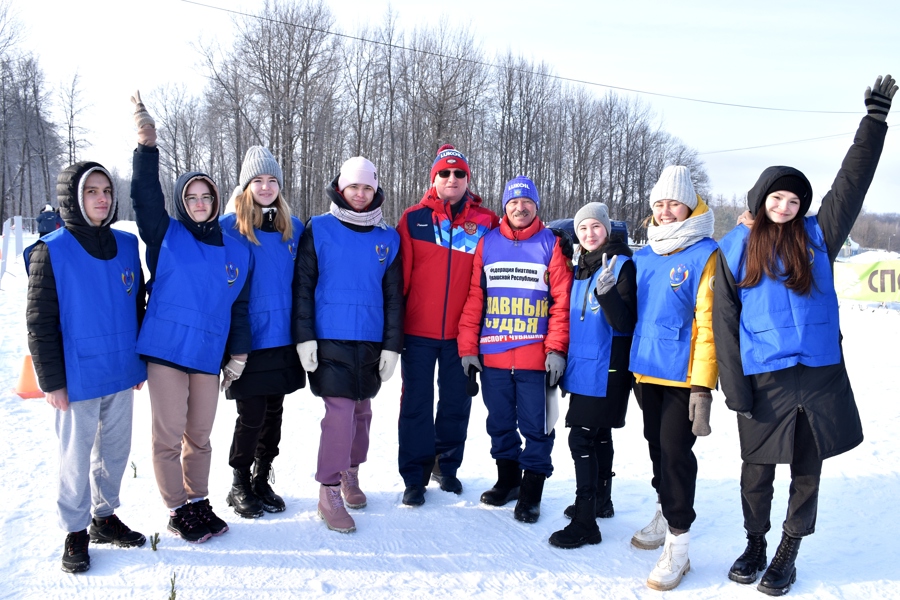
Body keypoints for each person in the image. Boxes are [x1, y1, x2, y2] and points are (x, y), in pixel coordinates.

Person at [714, 74, 895, 597]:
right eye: (777, 198)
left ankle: (788, 552)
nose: (785, 206)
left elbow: (851, 183)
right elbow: (725, 323)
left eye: (794, 200)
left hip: (817, 375)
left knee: (807, 471)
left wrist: (874, 123)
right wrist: (735, 386)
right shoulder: (733, 249)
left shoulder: (819, 236)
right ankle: (754, 542)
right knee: (756, 470)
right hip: (764, 376)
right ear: (761, 199)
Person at [129, 91, 252, 543]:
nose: (200, 202)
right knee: (168, 436)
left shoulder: (235, 248)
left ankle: (198, 499)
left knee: (199, 435)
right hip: (165, 351)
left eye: (207, 195)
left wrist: (237, 352)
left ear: (217, 200)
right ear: (183, 201)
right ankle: (176, 507)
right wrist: (146, 146)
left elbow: (238, 305)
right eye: (191, 196)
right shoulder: (167, 234)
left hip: (206, 354)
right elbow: (144, 198)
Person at [26, 161, 147, 573]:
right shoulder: (52, 250)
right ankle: (75, 530)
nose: (101, 198)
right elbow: (39, 322)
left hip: (120, 369)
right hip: (76, 375)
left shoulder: (127, 246)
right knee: (76, 458)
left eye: (107, 191)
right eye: (92, 191)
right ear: (73, 198)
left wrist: (138, 363)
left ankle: (103, 516)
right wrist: (51, 381)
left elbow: (136, 307)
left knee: (114, 452)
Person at [293, 156, 403, 533]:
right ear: (340, 187)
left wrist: (392, 346)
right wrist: (304, 336)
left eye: (367, 187)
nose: (360, 193)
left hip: (370, 339)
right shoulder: (319, 228)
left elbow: (393, 297)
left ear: (376, 190)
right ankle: (328, 489)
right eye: (353, 186)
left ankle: (350, 473)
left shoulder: (388, 238)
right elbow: (303, 286)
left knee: (362, 414)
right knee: (339, 415)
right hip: (329, 336)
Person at [458, 175, 572, 524]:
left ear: (536, 206)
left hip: (535, 358)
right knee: (500, 422)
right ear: (504, 206)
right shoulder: (488, 243)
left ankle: (532, 491)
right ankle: (508, 481)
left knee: (538, 426)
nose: (519, 208)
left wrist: (556, 348)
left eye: (526, 203)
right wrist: (468, 348)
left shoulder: (550, 244)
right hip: (493, 355)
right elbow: (476, 298)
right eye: (513, 203)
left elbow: (561, 302)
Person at [628, 165, 718, 591]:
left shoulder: (706, 252)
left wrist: (703, 384)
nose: (665, 211)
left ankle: (678, 547)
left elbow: (708, 324)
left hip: (683, 376)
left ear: (690, 205)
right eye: (659, 204)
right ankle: (665, 511)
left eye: (673, 203)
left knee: (676, 454)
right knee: (656, 449)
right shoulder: (643, 255)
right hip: (646, 370)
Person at [396, 144, 499, 506]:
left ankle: (447, 465)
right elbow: (400, 281)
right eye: (444, 173)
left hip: (464, 334)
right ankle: (414, 475)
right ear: (433, 179)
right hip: (418, 332)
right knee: (417, 404)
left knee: (457, 402)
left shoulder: (486, 222)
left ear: (467, 179)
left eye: (458, 174)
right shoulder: (413, 219)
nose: (451, 179)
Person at [220, 146, 306, 518]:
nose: (267, 187)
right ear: (246, 186)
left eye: (272, 180)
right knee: (251, 415)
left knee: (274, 414)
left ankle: (261, 478)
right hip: (248, 340)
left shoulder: (294, 228)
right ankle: (238, 480)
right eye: (258, 180)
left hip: (283, 338)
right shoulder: (230, 229)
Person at [549, 202, 636, 548]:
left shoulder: (621, 265)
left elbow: (625, 323)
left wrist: (609, 292)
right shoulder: (581, 268)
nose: (589, 234)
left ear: (607, 229)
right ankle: (601, 500)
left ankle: (586, 521)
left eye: (596, 227)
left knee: (580, 439)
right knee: (598, 436)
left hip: (608, 367)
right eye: (583, 229)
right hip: (584, 367)